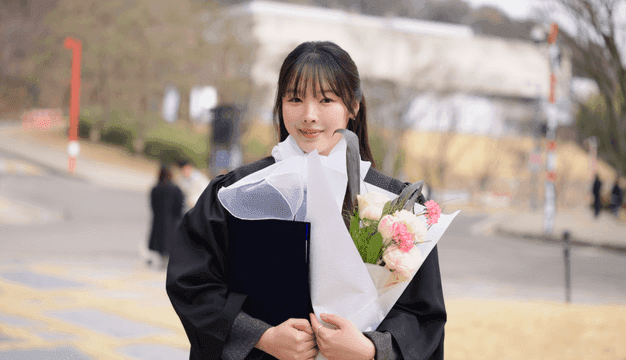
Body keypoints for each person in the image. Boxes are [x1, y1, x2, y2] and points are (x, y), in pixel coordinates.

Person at [166, 41, 446, 360]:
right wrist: (260, 335)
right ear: (280, 103)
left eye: (326, 99)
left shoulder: (395, 203)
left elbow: (423, 315)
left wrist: (371, 348)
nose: (309, 115)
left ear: (353, 106)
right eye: (295, 99)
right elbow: (191, 284)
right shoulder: (235, 193)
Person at [148, 166, 184, 267]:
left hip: (159, 219)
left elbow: (152, 205)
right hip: (172, 219)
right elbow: (180, 204)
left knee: (159, 239)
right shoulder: (175, 189)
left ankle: (161, 257)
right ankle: (167, 259)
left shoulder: (155, 188)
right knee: (170, 240)